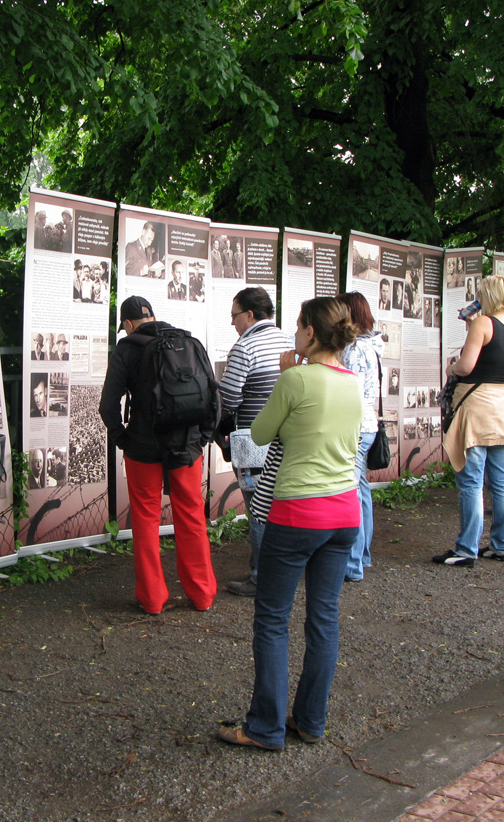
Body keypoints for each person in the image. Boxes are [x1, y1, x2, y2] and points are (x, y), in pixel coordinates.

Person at [217, 296, 363, 750]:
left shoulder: (295, 379)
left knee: (272, 619)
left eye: (298, 326)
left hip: (298, 512)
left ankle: (264, 727)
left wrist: (287, 376)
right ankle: (311, 721)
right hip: (345, 513)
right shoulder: (352, 381)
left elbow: (260, 434)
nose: (293, 334)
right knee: (323, 618)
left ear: (311, 333)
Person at [99, 296, 218, 614]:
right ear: (152, 317)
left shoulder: (126, 348)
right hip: (187, 445)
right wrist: (202, 438)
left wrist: (123, 439)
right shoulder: (187, 341)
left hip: (143, 447)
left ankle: (152, 599)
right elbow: (212, 394)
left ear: (127, 324)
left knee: (146, 520)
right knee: (192, 516)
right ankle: (202, 594)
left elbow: (108, 405)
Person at [434, 274, 504, 567]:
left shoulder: (483, 323)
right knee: (501, 479)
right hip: (501, 406)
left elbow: (467, 366)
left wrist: (451, 368)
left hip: (477, 407)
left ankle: (466, 548)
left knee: (471, 480)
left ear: (488, 295)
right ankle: (502, 544)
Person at [218, 287, 293, 597]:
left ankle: (262, 577)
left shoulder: (245, 347)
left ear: (249, 315)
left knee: (259, 509)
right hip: (287, 439)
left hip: (254, 441)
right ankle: (283, 571)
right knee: (282, 507)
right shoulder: (288, 341)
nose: (232, 322)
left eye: (234, 315)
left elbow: (229, 397)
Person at [337, 291, 383, 582]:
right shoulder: (372, 345)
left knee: (351, 492)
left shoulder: (354, 349)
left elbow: (348, 391)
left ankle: (352, 564)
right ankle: (362, 555)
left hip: (355, 426)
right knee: (362, 489)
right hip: (368, 425)